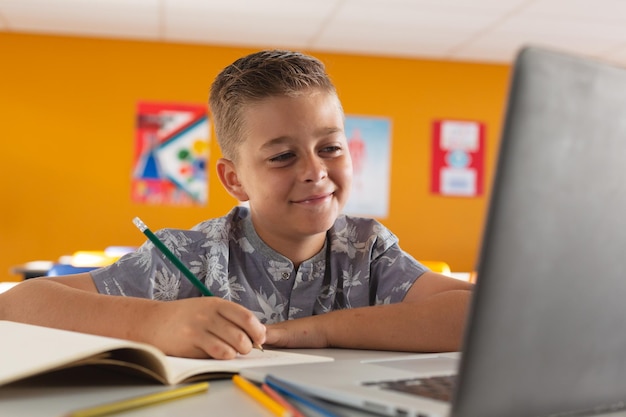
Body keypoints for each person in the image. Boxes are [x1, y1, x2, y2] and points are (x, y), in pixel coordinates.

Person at [0, 50, 473, 360]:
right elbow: (19, 306)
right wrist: (157, 322)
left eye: (330, 147)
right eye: (283, 156)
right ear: (234, 179)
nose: (314, 170)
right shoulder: (188, 257)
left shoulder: (368, 251)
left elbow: (479, 314)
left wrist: (317, 331)